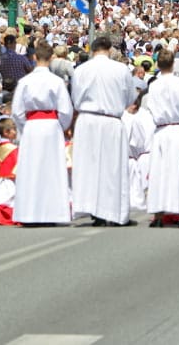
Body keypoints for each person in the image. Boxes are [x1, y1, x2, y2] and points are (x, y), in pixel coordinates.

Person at [71, 36, 135, 227]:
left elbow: (75, 97)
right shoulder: (121, 69)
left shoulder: (81, 70)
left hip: (87, 119)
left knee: (89, 167)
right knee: (112, 167)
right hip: (110, 119)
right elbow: (130, 97)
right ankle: (114, 211)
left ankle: (94, 209)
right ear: (109, 49)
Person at [11, 41, 74, 225]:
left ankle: (29, 213)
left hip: (32, 126)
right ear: (51, 58)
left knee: (31, 168)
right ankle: (53, 213)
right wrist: (59, 127)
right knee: (52, 169)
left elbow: (17, 110)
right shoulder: (57, 81)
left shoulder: (25, 81)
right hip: (52, 126)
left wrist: (26, 126)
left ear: (34, 58)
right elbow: (66, 110)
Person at [146, 49, 179, 228]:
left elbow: (150, 108)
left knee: (159, 172)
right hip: (178, 129)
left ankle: (158, 215)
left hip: (161, 130)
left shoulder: (154, 85)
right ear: (172, 64)